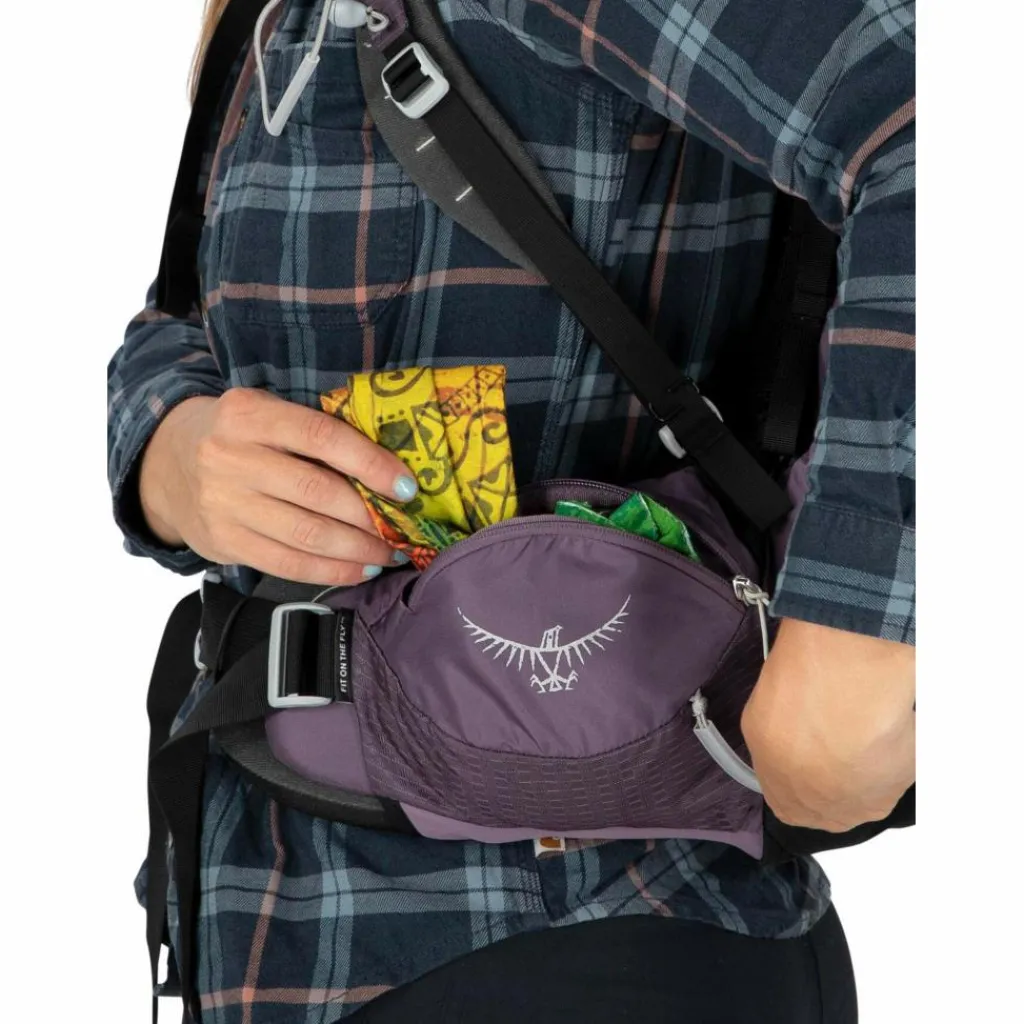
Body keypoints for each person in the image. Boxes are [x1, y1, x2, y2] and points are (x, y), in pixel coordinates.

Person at [107, 1, 915, 1020]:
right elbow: (189, 312)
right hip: (271, 909)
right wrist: (170, 447)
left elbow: (923, 115)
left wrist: (861, 619)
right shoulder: (267, 16)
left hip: (585, 912)